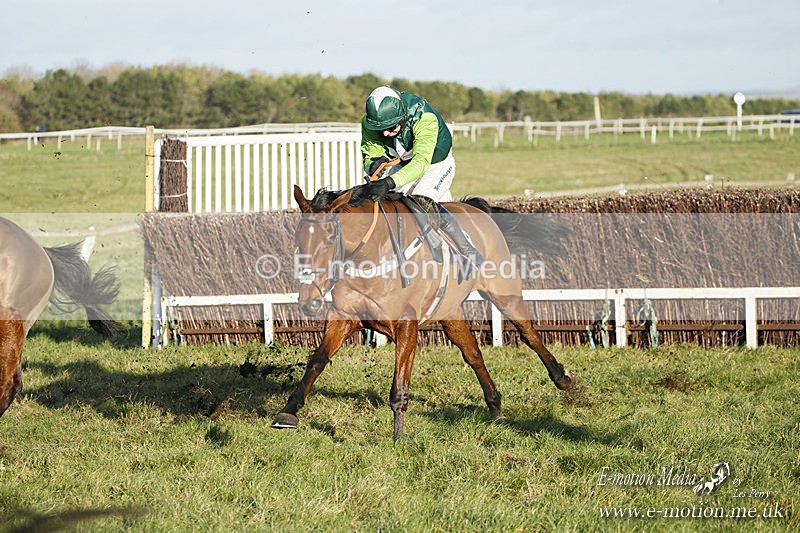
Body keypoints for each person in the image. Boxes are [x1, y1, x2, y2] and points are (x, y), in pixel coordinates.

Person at [348, 86, 484, 278]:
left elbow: (421, 163)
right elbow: (371, 153)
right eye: (381, 129)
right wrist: (372, 164)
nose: (385, 134)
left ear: (403, 117)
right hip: (404, 164)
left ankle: (469, 251)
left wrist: (389, 182)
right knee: (386, 203)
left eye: (391, 127)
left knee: (421, 202)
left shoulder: (424, 117)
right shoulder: (370, 123)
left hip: (435, 165)